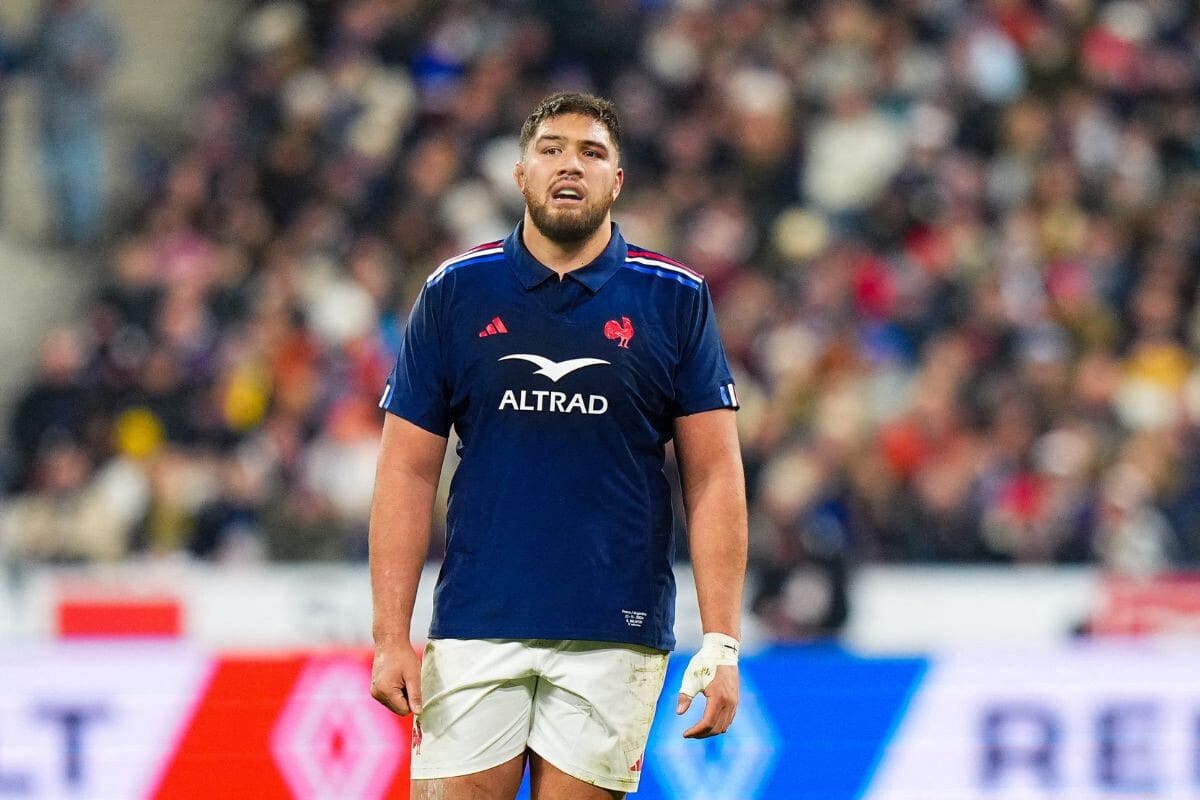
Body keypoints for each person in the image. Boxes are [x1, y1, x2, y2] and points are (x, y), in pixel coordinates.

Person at [369, 91, 748, 800]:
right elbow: (406, 472)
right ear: (521, 174)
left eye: (591, 153)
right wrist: (391, 636)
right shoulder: (455, 290)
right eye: (551, 150)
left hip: (614, 630)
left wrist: (722, 641)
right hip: (478, 621)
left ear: (617, 181)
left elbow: (715, 475)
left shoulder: (675, 297)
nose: (570, 165)